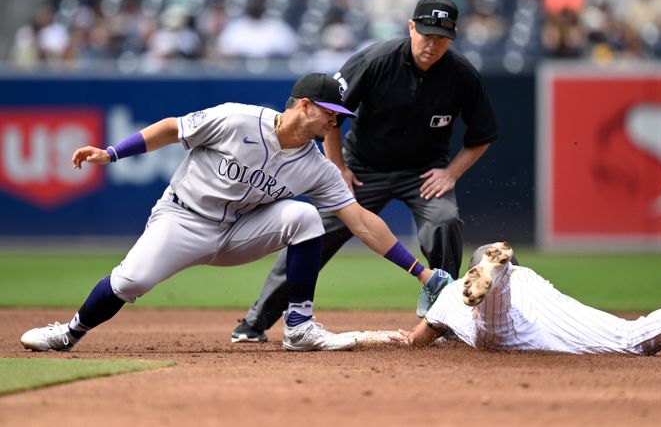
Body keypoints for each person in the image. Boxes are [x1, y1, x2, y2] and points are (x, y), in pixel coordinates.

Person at [20, 73, 453, 353]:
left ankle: (299, 327)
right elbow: (173, 128)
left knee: (304, 219)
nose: (334, 123)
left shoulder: (317, 166)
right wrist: (112, 153)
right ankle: (69, 332)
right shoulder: (237, 119)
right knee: (131, 280)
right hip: (182, 219)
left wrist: (421, 273)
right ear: (303, 104)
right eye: (330, 113)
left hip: (240, 232)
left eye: (340, 116)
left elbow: (360, 220)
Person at [231, 0, 498, 343]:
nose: (432, 45)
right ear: (411, 27)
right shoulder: (376, 60)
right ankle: (255, 322)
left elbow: (484, 134)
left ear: (453, 37)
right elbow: (331, 112)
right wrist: (337, 166)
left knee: (444, 223)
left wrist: (452, 173)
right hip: (362, 169)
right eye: (426, 34)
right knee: (315, 233)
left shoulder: (462, 75)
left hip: (423, 173)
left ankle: (443, 320)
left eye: (442, 38)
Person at [393, 242, 661, 353]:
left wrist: (356, 340)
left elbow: (413, 342)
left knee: (494, 329)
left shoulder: (449, 296)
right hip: (548, 316)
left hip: (502, 327)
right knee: (630, 338)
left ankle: (496, 275)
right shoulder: (534, 276)